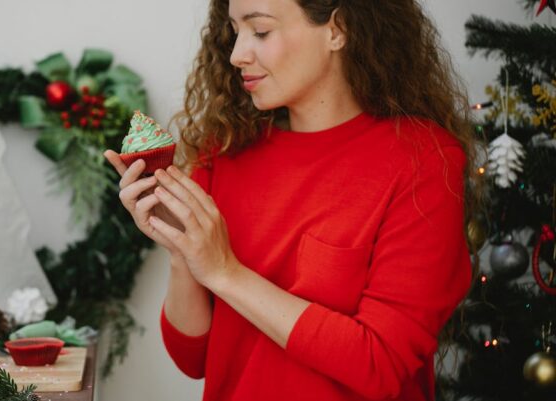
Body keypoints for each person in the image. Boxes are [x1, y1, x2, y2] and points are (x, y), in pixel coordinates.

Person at [104, 0, 481, 399]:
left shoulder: (423, 160)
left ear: (337, 30)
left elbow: (380, 363)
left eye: (261, 31)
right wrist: (182, 249)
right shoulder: (226, 151)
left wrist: (224, 271)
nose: (236, 54)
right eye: (234, 31)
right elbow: (192, 358)